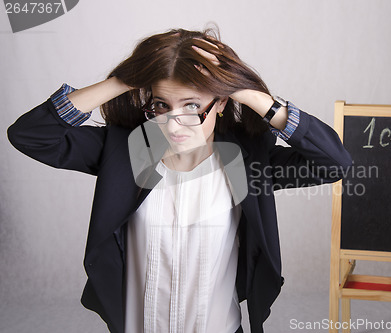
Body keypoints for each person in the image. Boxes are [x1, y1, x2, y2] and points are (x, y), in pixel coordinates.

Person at [7, 27, 352, 333]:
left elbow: (334, 163)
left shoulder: (248, 163)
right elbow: (31, 136)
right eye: (161, 106)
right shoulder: (125, 151)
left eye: (192, 107)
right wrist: (122, 80)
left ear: (219, 103)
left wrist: (248, 93)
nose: (174, 125)